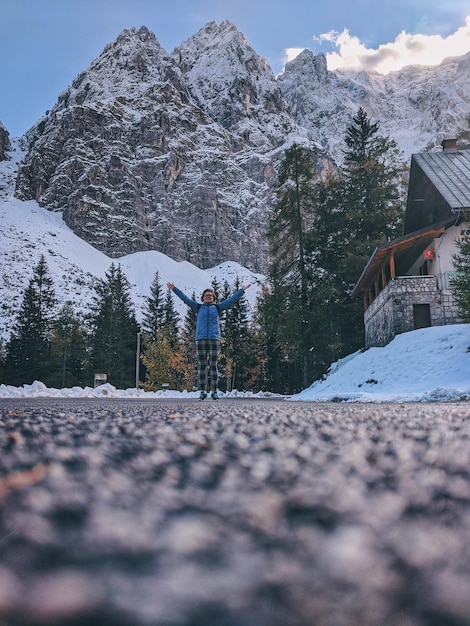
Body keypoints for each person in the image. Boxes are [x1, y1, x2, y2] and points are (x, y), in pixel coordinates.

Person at [167, 282, 251, 400]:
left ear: (214, 297)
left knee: (213, 365)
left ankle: (214, 391)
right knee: (202, 366)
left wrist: (242, 290)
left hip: (214, 339)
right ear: (203, 297)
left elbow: (231, 300)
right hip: (200, 339)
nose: (208, 297)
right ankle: (202, 391)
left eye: (210, 295)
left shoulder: (218, 307)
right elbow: (185, 298)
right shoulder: (198, 307)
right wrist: (174, 289)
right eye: (206, 295)